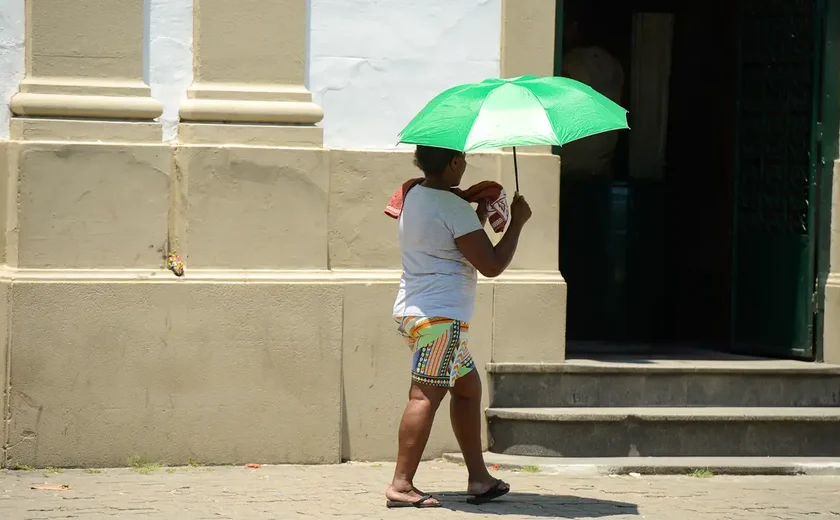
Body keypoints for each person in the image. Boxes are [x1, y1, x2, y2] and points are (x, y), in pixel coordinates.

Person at [385, 145, 532, 508]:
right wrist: (517, 222)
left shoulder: (414, 194)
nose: (465, 164)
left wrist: (477, 216)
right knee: (424, 395)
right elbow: (492, 264)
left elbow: (449, 244)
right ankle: (401, 485)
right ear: (453, 163)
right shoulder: (452, 206)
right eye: (463, 158)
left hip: (416, 311)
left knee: (467, 389)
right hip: (441, 319)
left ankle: (479, 479)